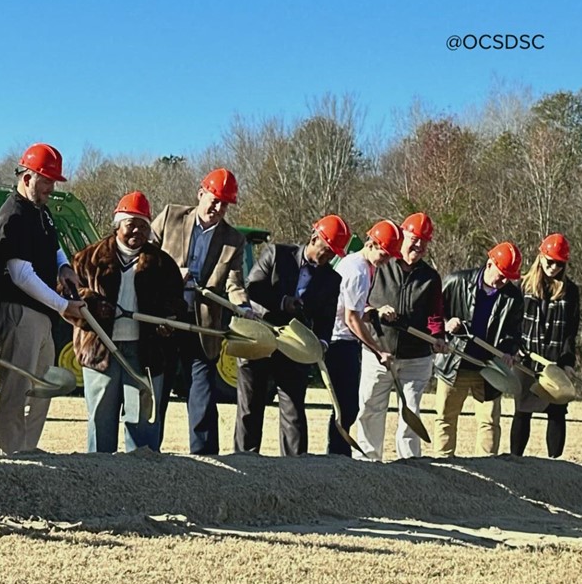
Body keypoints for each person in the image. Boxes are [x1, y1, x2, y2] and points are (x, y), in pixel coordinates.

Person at [70, 191, 184, 452]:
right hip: (100, 352)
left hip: (144, 354)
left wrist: (167, 320)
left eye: (143, 226)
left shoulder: (162, 264)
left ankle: (139, 474)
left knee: (142, 422)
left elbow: (177, 302)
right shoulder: (87, 259)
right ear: (117, 225)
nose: (137, 232)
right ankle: (99, 471)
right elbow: (67, 296)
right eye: (131, 224)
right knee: (101, 420)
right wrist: (94, 305)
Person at [0, 143, 84, 454]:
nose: (51, 189)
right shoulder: (13, 216)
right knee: (17, 388)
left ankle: (28, 449)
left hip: (42, 314)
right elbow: (21, 274)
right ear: (28, 178)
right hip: (20, 313)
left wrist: (64, 266)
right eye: (47, 182)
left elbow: (53, 245)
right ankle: (10, 453)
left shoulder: (40, 211)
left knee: (41, 388)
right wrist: (64, 306)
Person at [150, 168, 247, 455]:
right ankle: (145, 453)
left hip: (203, 327)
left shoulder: (234, 240)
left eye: (224, 205)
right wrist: (170, 275)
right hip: (164, 319)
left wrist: (243, 307)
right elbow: (144, 255)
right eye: (214, 201)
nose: (218, 209)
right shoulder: (171, 216)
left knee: (202, 393)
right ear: (200, 193)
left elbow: (234, 284)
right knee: (157, 391)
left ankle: (206, 460)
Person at [235, 215, 348, 456]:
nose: (329, 257)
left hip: (295, 346)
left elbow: (327, 318)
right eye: (327, 250)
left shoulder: (332, 279)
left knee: (293, 411)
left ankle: (295, 466)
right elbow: (253, 288)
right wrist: (282, 302)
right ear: (314, 238)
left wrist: (322, 343)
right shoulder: (277, 254)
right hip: (259, 336)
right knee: (250, 406)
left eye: (333, 254)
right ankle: (245, 459)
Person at [355, 212, 448, 461]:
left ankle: (409, 465)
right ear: (403, 235)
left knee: (411, 412)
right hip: (378, 351)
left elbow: (435, 314)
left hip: (416, 358)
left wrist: (437, 336)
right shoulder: (380, 265)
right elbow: (358, 304)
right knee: (370, 408)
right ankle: (367, 461)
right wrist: (375, 311)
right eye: (414, 239)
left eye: (424, 242)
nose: (419, 246)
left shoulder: (430, 277)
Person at [431, 242, 524, 457]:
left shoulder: (513, 297)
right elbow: (433, 312)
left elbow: (514, 332)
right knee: (445, 417)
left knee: (489, 422)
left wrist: (508, 351)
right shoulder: (456, 281)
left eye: (509, 277)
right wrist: (445, 324)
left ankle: (488, 464)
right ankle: (443, 463)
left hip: (489, 367)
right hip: (455, 363)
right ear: (489, 264)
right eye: (502, 275)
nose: (504, 281)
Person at [331, 220, 402, 457]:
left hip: (345, 339)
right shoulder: (358, 271)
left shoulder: (363, 266)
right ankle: (337, 455)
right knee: (346, 406)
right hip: (340, 341)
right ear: (371, 244)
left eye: (390, 256)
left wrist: (373, 312)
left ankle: (338, 455)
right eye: (384, 253)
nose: (386, 260)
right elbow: (351, 319)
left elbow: (356, 309)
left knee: (347, 405)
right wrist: (378, 351)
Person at [510, 233, 580, 458]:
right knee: (523, 410)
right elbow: (512, 322)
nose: (554, 267)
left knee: (557, 411)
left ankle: (555, 462)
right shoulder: (522, 286)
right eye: (550, 262)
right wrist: (513, 348)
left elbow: (570, 332)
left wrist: (567, 361)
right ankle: (516, 460)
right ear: (540, 258)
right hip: (526, 359)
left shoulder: (571, 291)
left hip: (555, 360)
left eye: (559, 264)